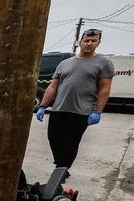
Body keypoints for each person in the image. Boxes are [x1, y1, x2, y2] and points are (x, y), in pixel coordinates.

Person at [36, 28, 114, 171]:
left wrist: (98, 110)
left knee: (70, 142)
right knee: (53, 138)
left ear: (98, 43)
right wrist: (43, 105)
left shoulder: (103, 62)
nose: (89, 43)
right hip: (59, 108)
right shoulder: (65, 63)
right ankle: (60, 166)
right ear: (80, 42)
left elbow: (104, 88)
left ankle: (62, 169)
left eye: (93, 41)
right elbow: (53, 87)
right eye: (86, 40)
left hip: (81, 111)